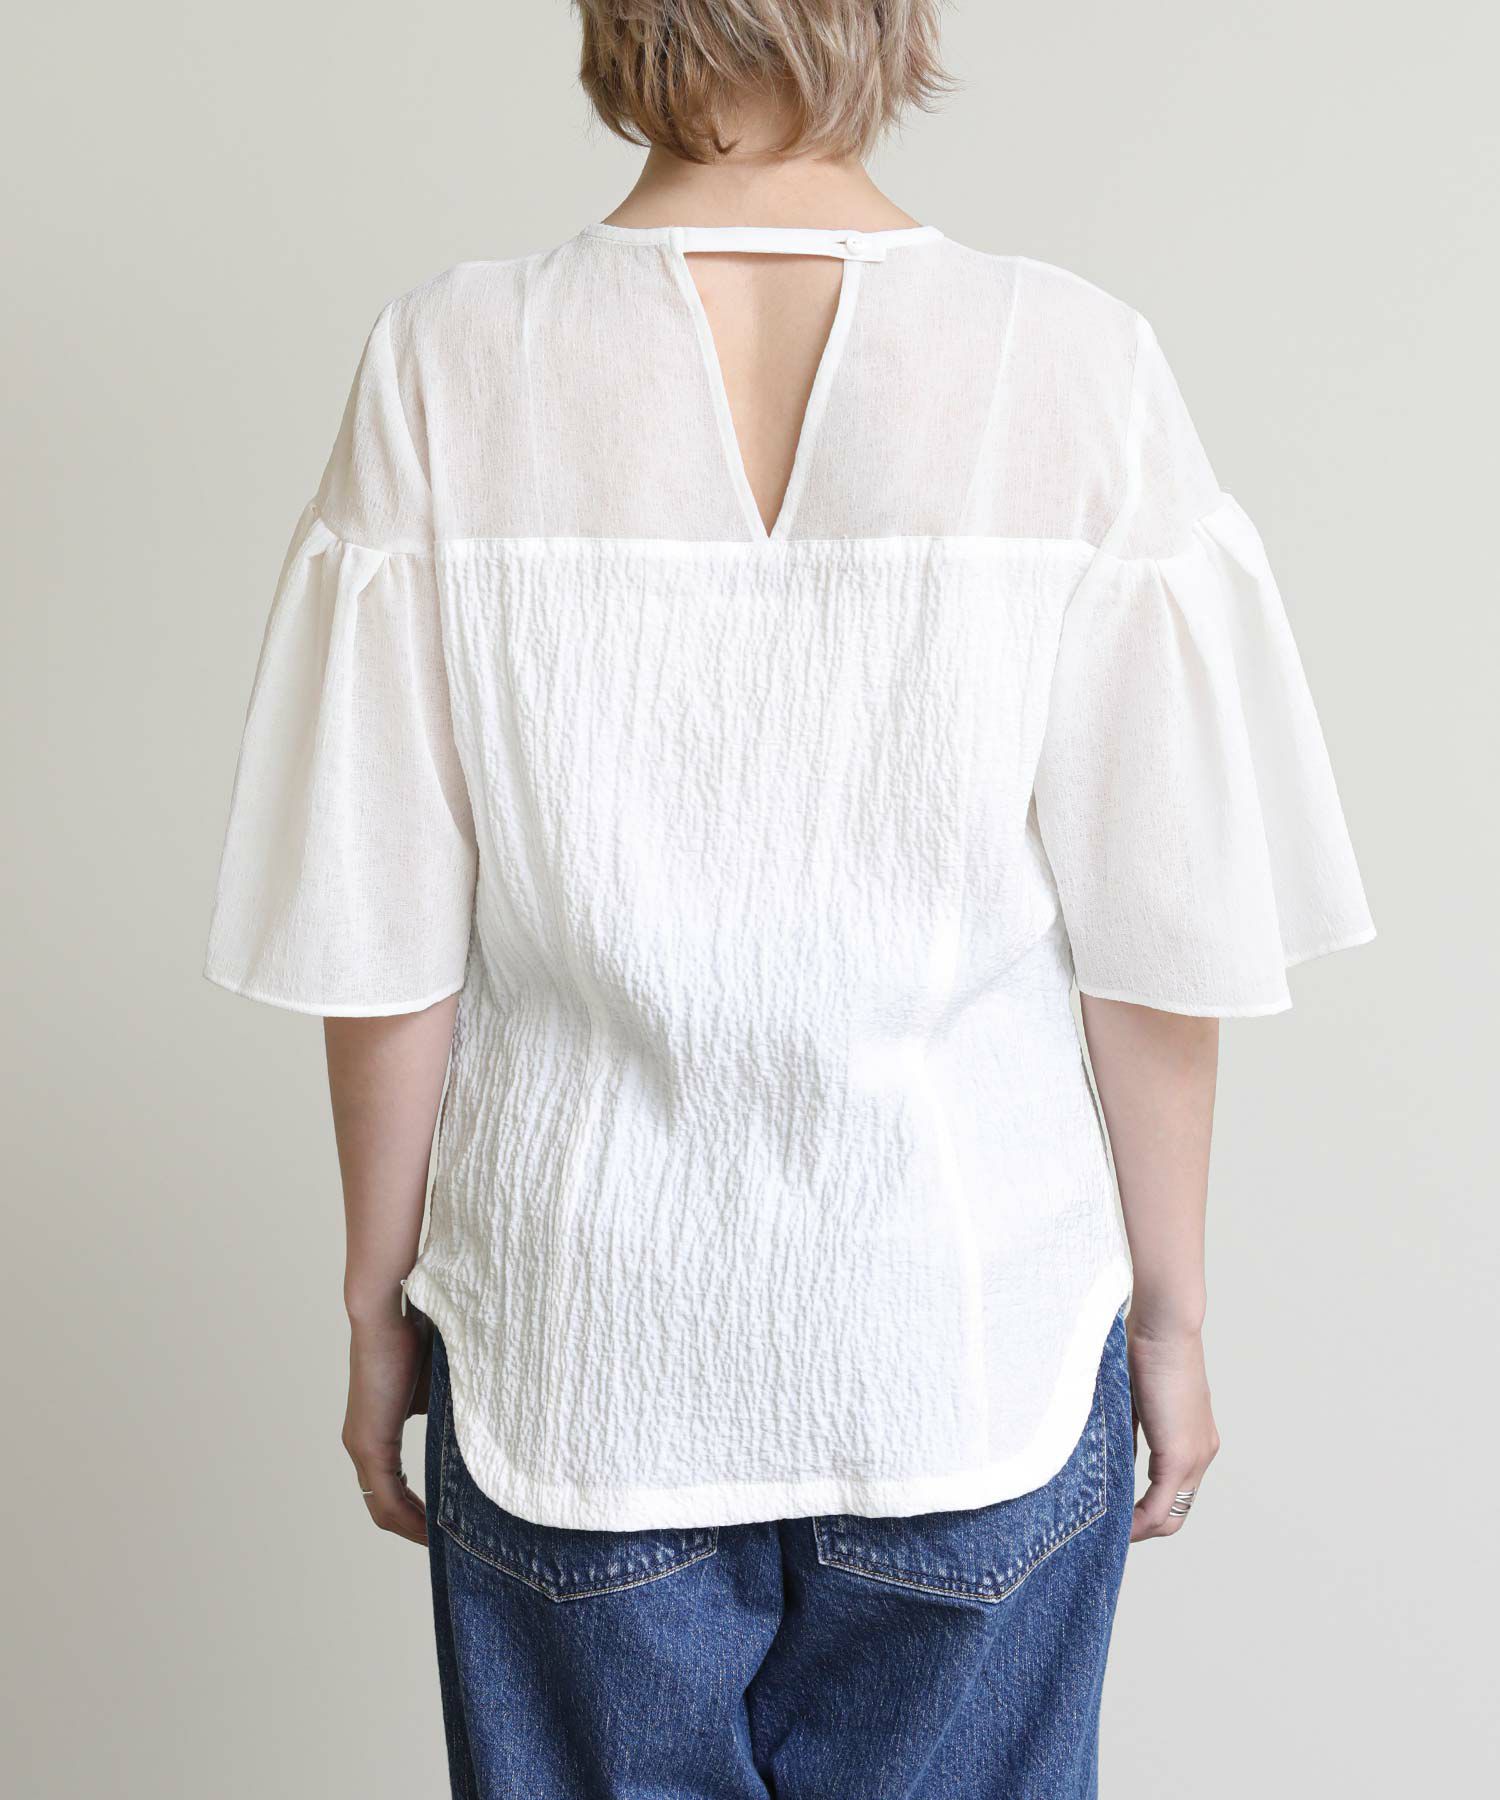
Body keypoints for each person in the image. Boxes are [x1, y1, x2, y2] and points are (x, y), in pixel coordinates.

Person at [204, 3, 1374, 1794]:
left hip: (577, 1351)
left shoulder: (451, 359)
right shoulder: (1069, 360)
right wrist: (1174, 1317)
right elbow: (1159, 942)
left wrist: (379, 1306)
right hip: (966, 1341)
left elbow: (383, 930)